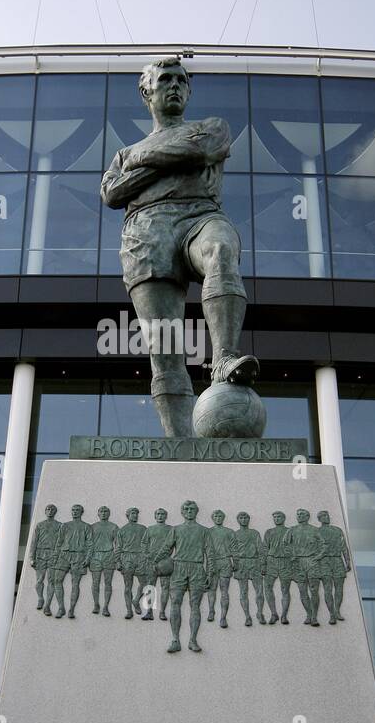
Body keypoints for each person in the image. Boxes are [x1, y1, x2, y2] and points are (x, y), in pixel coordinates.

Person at [100, 56, 259, 436]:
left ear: (188, 91)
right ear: (146, 91)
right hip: (145, 234)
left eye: (181, 81)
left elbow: (202, 150)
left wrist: (142, 161)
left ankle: (223, 358)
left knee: (220, 250)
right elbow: (111, 192)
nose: (174, 86)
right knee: (165, 350)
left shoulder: (211, 128)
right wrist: (172, 155)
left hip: (200, 215)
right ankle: (181, 447)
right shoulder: (123, 153)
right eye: (165, 79)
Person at [159, 499, 211, 654]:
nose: (189, 511)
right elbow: (166, 549)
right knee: (175, 602)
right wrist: (154, 562)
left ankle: (193, 640)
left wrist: (209, 572)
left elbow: (210, 554)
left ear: (196, 511)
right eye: (186, 509)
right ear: (182, 512)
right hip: (179, 567)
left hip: (196, 567)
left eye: (192, 509)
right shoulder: (176, 529)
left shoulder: (204, 531)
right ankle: (175, 639)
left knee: (195, 605)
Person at [49, 503, 92, 619]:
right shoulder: (65, 525)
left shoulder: (86, 527)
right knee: (57, 580)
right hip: (64, 555)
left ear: (81, 512)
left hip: (79, 556)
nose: (75, 512)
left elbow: (90, 544)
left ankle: (71, 609)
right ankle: (61, 607)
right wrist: (55, 557)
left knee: (75, 583)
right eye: (73, 510)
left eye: (77, 510)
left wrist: (87, 558)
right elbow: (59, 542)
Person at [287, 508, 323, 626]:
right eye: (298, 514)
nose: (299, 516)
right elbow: (285, 545)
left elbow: (323, 545)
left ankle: (314, 616)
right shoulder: (292, 530)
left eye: (302, 514)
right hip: (298, 562)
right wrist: (291, 555)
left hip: (311, 561)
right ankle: (308, 614)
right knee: (302, 590)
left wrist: (318, 556)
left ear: (307, 516)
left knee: (314, 590)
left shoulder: (314, 530)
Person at [315, 509, 351, 624]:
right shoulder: (317, 531)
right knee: (327, 588)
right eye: (324, 516)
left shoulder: (337, 530)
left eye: (327, 515)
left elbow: (344, 547)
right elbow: (314, 549)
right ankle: (331, 614)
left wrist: (347, 561)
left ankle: (337, 611)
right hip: (324, 561)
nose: (327, 517)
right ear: (319, 519)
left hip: (337, 560)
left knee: (339, 587)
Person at [231, 511, 267, 627]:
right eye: (241, 518)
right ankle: (247, 616)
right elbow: (233, 550)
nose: (244, 520)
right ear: (238, 520)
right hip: (241, 563)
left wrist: (263, 564)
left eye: (246, 517)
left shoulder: (254, 533)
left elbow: (260, 549)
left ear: (249, 519)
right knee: (243, 592)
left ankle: (260, 613)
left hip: (254, 562)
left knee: (260, 591)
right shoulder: (235, 534)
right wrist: (235, 562)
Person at [141, 506, 175, 621]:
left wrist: (170, 557)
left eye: (162, 514)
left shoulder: (171, 529)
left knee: (165, 587)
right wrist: (147, 555)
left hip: (165, 562)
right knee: (150, 587)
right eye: (158, 514)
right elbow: (144, 543)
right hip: (151, 562)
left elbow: (175, 544)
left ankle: (162, 612)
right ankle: (149, 612)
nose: (160, 516)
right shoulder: (150, 529)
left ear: (166, 516)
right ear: (155, 516)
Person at [116, 507, 147, 620]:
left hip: (140, 558)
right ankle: (129, 611)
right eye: (132, 513)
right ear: (128, 515)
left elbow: (147, 544)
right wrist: (118, 561)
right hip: (127, 557)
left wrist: (147, 558)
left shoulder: (143, 529)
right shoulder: (122, 530)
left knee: (144, 583)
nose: (135, 515)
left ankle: (136, 600)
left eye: (136, 513)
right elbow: (118, 547)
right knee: (128, 586)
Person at [206, 509, 235, 627]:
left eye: (220, 516)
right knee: (211, 589)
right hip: (212, 561)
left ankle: (223, 617)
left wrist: (235, 561)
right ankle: (211, 610)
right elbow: (205, 548)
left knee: (224, 590)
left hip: (225, 561)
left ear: (223, 518)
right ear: (213, 518)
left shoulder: (229, 532)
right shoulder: (208, 532)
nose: (218, 518)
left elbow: (234, 548)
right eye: (216, 516)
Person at [88, 505, 119, 617]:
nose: (104, 513)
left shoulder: (114, 527)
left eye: (106, 511)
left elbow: (118, 544)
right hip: (95, 556)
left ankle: (106, 606)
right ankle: (96, 604)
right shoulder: (92, 527)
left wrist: (117, 559)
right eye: (101, 511)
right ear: (98, 513)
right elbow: (88, 544)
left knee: (108, 583)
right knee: (95, 582)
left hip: (109, 555)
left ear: (109, 514)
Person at [30, 503, 61, 612]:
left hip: (53, 555)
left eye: (52, 509)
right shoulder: (39, 525)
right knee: (39, 580)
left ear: (55, 512)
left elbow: (61, 542)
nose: (50, 511)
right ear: (45, 511)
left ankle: (47, 605)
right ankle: (40, 598)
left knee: (51, 581)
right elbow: (34, 542)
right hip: (40, 554)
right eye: (48, 509)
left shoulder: (59, 525)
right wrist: (31, 557)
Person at [263, 511, 291, 625]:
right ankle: (274, 613)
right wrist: (263, 564)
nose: (277, 519)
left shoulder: (290, 531)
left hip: (285, 561)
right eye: (275, 517)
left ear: (284, 518)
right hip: (271, 562)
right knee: (268, 587)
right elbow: (264, 548)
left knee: (285, 589)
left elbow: (293, 548)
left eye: (279, 517)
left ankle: (284, 615)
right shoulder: (269, 532)